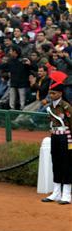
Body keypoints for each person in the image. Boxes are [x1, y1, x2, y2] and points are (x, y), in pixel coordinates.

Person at [42, 71, 72, 204]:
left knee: (67, 164)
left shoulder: (66, 106)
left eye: (53, 93)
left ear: (60, 93)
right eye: (50, 93)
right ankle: (56, 192)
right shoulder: (50, 107)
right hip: (54, 136)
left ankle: (66, 193)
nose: (51, 95)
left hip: (66, 137)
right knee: (56, 163)